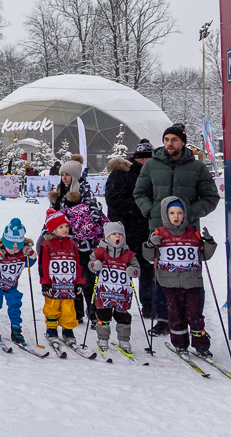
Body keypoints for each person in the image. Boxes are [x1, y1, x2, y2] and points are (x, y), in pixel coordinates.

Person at [133, 123, 220, 337]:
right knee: (162, 276)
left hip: (188, 232)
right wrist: (151, 211)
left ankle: (195, 321)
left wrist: (189, 213)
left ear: (182, 142)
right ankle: (164, 318)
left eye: (174, 140)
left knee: (191, 276)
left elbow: (211, 197)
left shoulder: (197, 167)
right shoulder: (151, 165)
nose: (169, 143)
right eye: (166, 140)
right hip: (159, 230)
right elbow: (140, 193)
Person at [142, 197, 218, 358]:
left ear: (184, 214)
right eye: (172, 213)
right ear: (165, 214)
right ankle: (180, 344)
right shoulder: (160, 233)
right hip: (170, 283)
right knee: (175, 315)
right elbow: (149, 257)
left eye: (179, 212)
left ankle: (201, 345)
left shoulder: (192, 232)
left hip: (192, 282)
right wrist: (150, 244)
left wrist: (209, 242)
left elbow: (204, 255)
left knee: (195, 315)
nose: (176, 216)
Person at [48, 157, 104, 323]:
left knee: (86, 279)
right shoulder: (60, 191)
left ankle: (93, 312)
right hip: (65, 243)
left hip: (84, 244)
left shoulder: (84, 190)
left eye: (68, 174)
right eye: (62, 174)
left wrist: (76, 221)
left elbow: (94, 213)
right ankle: (77, 312)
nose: (64, 177)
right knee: (71, 278)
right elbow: (52, 215)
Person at [104, 139, 155, 317]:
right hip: (124, 232)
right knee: (119, 269)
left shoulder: (152, 175)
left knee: (148, 269)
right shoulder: (121, 174)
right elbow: (114, 201)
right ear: (141, 159)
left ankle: (149, 305)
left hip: (145, 231)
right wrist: (142, 207)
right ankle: (112, 301)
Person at [0, 218, 37, 345]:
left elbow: (29, 264)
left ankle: (16, 330)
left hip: (12, 285)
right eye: (10, 247)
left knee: (15, 305)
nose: (13, 250)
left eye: (16, 248)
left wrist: (31, 255)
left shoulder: (21, 252)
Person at [89, 221, 139, 354]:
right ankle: (103, 338)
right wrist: (95, 266)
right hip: (104, 291)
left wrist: (132, 271)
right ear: (107, 236)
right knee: (103, 315)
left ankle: (124, 339)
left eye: (120, 234)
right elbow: (90, 265)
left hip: (121, 293)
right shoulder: (100, 252)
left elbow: (137, 270)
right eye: (114, 234)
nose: (118, 237)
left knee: (123, 317)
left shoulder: (128, 254)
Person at [38, 208, 83, 345]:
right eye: (61, 227)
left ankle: (67, 329)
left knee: (69, 308)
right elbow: (42, 265)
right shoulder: (46, 245)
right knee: (52, 306)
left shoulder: (73, 245)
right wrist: (45, 283)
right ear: (52, 229)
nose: (65, 229)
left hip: (69, 284)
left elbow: (78, 264)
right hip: (53, 284)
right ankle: (51, 329)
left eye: (66, 226)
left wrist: (79, 282)